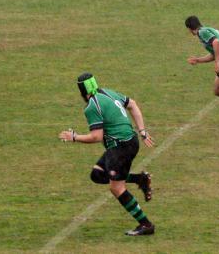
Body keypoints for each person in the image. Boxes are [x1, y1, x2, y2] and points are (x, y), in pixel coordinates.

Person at [59, 73, 155, 236]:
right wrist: (143, 131)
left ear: (81, 90)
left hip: (121, 148)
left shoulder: (91, 106)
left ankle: (146, 224)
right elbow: (133, 104)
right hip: (130, 141)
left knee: (116, 187)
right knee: (97, 174)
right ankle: (140, 179)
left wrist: (74, 137)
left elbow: (96, 137)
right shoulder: (108, 92)